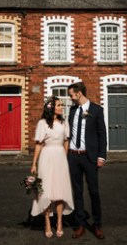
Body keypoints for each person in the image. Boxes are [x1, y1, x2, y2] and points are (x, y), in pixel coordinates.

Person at [67, 81, 107, 240]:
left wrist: (101, 156)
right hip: (73, 156)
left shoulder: (96, 110)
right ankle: (81, 224)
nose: (70, 98)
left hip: (89, 157)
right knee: (77, 192)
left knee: (93, 191)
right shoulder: (72, 110)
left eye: (71, 95)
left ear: (79, 93)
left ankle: (97, 225)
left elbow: (102, 134)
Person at [30, 96, 74, 238]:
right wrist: (34, 164)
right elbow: (38, 144)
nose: (62, 107)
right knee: (46, 192)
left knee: (60, 192)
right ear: (51, 108)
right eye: (59, 105)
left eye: (61, 104)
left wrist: (64, 157)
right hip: (46, 157)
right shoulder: (42, 123)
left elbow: (66, 141)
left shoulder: (64, 122)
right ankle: (47, 222)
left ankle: (59, 222)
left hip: (60, 157)